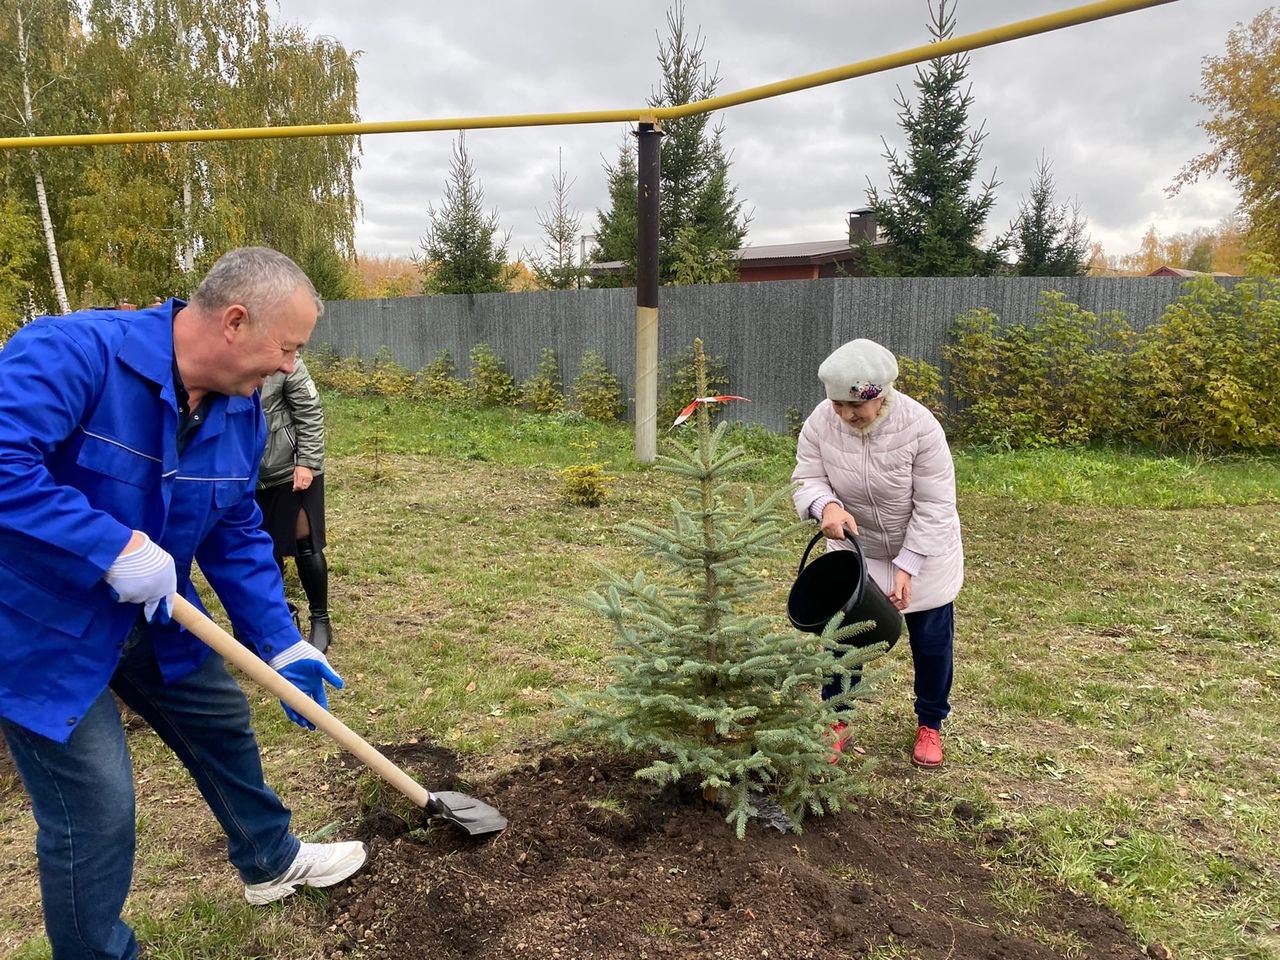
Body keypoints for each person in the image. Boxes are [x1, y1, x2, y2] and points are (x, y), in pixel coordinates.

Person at [0, 247, 367, 960]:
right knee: (96, 808)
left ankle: (270, 859)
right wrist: (107, 546)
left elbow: (232, 530)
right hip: (36, 627)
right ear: (235, 321)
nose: (291, 366)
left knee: (222, 718)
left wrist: (279, 639)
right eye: (287, 347)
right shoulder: (75, 353)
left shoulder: (240, 413)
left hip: (150, 616)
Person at [792, 338, 964, 769]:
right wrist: (824, 505)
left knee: (930, 642)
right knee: (844, 642)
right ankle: (837, 720)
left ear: (880, 395)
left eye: (856, 407)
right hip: (857, 552)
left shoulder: (919, 426)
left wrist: (909, 564)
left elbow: (935, 504)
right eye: (838, 406)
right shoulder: (820, 422)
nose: (847, 416)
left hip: (924, 553)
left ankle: (930, 723)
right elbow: (807, 477)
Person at [257, 354, 333, 652]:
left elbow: (310, 413)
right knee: (263, 546)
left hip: (291, 470)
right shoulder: (231, 358)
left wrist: (307, 462)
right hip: (249, 474)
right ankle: (279, 618)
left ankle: (321, 619)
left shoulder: (286, 360)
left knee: (304, 540)